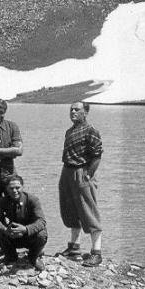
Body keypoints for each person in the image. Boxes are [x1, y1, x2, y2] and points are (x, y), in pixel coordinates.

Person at [59, 101, 104, 267]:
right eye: (71, 109)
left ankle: (96, 253)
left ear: (85, 112)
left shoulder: (91, 130)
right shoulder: (69, 131)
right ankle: (74, 248)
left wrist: (88, 174)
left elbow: (97, 155)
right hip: (67, 171)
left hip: (81, 172)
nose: (72, 112)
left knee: (88, 210)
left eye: (77, 109)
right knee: (70, 210)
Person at [0, 175, 47, 271]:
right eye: (11, 188)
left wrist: (26, 229)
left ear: (22, 187)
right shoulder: (4, 201)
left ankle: (33, 257)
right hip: (13, 235)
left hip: (29, 236)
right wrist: (5, 230)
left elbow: (41, 221)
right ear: (7, 189)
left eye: (17, 188)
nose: (14, 191)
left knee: (42, 234)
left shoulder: (32, 200)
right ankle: (11, 256)